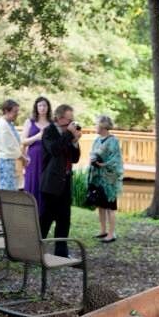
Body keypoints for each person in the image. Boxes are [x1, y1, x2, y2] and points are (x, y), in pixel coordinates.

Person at [39, 103, 82, 257]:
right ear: (59, 118)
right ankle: (35, 248)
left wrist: (75, 141)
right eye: (69, 120)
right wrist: (68, 135)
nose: (71, 124)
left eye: (73, 121)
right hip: (50, 184)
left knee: (64, 219)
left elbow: (75, 158)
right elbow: (55, 150)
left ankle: (61, 253)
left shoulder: (67, 134)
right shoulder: (49, 132)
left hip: (65, 181)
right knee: (46, 218)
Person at [88, 115, 123, 243]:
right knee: (101, 206)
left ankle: (111, 233)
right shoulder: (97, 140)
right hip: (98, 178)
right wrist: (93, 161)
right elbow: (92, 153)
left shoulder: (113, 141)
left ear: (103, 126)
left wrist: (103, 164)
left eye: (96, 124)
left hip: (109, 180)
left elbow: (116, 159)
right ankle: (103, 230)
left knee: (110, 207)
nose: (95, 127)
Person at [21, 96, 52, 215]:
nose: (42, 108)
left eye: (44, 105)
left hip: (48, 160)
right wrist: (37, 137)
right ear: (36, 107)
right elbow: (23, 141)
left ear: (48, 107)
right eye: (40, 105)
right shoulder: (30, 122)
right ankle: (30, 214)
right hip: (33, 159)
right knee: (33, 184)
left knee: (44, 185)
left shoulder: (51, 123)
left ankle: (44, 215)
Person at [0, 99, 22, 190]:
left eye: (17, 111)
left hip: (10, 162)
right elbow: (10, 147)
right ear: (6, 111)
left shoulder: (9, 124)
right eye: (15, 111)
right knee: (7, 190)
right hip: (6, 162)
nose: (17, 114)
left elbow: (15, 142)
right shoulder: (2, 125)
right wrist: (23, 158)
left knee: (9, 188)